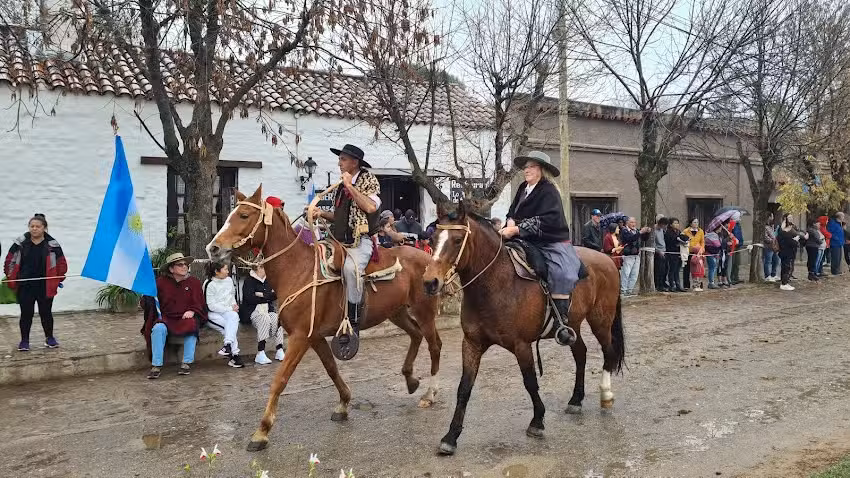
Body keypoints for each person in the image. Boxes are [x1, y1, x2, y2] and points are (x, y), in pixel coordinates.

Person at [501, 151, 579, 347]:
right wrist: (510, 221)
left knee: (562, 272)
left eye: (531, 167)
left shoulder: (549, 190)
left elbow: (548, 219)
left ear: (541, 170)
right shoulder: (522, 188)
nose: (526, 170)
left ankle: (561, 322)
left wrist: (516, 229)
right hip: (523, 238)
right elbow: (513, 211)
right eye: (525, 167)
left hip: (549, 239)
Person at [311, 144, 381, 359]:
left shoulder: (369, 180)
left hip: (360, 241)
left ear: (354, 162)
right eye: (339, 159)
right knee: (315, 260)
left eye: (343, 159)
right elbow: (340, 217)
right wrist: (321, 213)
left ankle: (353, 322)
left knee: (351, 269)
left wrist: (350, 186)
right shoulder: (340, 186)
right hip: (338, 240)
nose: (339, 163)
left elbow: (371, 207)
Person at [4, 214, 67, 351]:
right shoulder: (20, 244)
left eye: (38, 226)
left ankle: (49, 338)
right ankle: (24, 341)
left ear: (44, 228)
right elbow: (9, 261)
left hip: (45, 285)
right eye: (32, 226)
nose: (34, 229)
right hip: (25, 285)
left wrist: (58, 279)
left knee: (46, 313)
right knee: (26, 314)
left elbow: (61, 264)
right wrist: (10, 276)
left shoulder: (53, 245)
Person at [148, 253, 206, 379]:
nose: (184, 267)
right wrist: (147, 295)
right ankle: (156, 365)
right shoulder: (160, 283)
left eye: (186, 264)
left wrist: (193, 310)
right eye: (180, 265)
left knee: (192, 325)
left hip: (185, 317)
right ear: (171, 269)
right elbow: (150, 302)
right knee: (158, 329)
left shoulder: (194, 282)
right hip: (166, 317)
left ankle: (186, 363)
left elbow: (199, 302)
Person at [241, 264, 286, 364]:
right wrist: (267, 297)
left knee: (277, 318)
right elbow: (250, 298)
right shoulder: (249, 280)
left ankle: (279, 349)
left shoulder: (268, 280)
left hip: (267, 310)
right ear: (258, 268)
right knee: (264, 318)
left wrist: (260, 294)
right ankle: (260, 352)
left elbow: (275, 295)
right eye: (264, 267)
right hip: (253, 311)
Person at [204, 262, 244, 368]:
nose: (228, 272)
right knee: (229, 327)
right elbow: (211, 306)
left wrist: (234, 305)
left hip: (227, 311)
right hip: (212, 314)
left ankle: (227, 346)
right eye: (225, 269)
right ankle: (235, 355)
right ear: (217, 272)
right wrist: (230, 308)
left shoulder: (229, 280)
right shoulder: (209, 284)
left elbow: (232, 295)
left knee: (234, 317)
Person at [620, 217, 652, 296]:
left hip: (636, 255)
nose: (633, 224)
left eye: (634, 222)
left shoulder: (636, 231)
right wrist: (640, 232)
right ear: (627, 223)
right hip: (628, 255)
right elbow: (630, 238)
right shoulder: (624, 230)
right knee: (626, 273)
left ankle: (630, 290)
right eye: (631, 222)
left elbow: (644, 239)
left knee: (634, 274)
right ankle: (623, 290)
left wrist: (647, 232)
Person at [777, 214, 807, 291]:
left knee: (787, 267)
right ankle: (784, 283)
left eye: (792, 217)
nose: (791, 219)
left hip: (790, 250)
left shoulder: (792, 227)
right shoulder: (782, 229)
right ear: (785, 219)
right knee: (786, 267)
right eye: (789, 217)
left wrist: (798, 239)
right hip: (785, 250)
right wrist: (795, 240)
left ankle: (785, 282)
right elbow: (785, 240)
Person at [665, 218, 688, 292]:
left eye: (677, 223)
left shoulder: (679, 232)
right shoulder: (668, 232)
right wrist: (677, 241)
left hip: (679, 252)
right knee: (672, 270)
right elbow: (669, 242)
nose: (677, 225)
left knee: (677, 270)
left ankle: (678, 285)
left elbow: (683, 238)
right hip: (671, 253)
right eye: (675, 223)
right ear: (671, 224)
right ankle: (672, 285)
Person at [682, 218, 705, 290]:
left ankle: (698, 284)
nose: (696, 224)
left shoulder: (701, 231)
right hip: (688, 252)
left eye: (697, 222)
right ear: (690, 223)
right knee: (687, 268)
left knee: (698, 269)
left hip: (698, 252)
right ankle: (686, 285)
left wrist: (701, 249)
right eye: (694, 222)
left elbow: (702, 242)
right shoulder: (686, 231)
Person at [762, 213, 780, 282]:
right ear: (769, 217)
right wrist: (772, 241)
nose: (773, 218)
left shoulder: (771, 226)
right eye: (772, 216)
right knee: (768, 261)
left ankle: (773, 274)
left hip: (774, 246)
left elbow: (774, 235)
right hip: (768, 246)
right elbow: (765, 237)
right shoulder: (765, 227)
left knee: (776, 260)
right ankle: (767, 276)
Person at [654, 217, 669, 291]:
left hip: (664, 251)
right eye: (664, 225)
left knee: (665, 269)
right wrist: (658, 251)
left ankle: (663, 283)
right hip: (658, 252)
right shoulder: (654, 230)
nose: (665, 227)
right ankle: (658, 285)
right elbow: (653, 243)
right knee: (659, 270)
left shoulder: (662, 230)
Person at [729, 215, 744, 285]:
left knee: (737, 263)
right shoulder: (731, 224)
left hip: (739, 245)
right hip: (733, 246)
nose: (740, 218)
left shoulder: (738, 225)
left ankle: (736, 277)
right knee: (733, 262)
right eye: (739, 216)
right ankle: (731, 278)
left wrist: (741, 242)